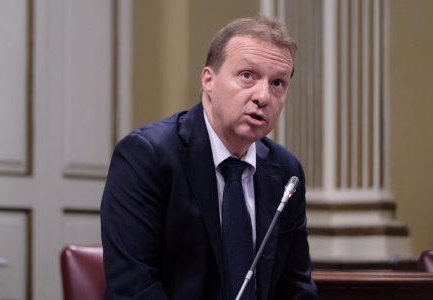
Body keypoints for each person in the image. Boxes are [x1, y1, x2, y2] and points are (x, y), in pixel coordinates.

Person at [101, 16, 317, 300]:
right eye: (247, 76)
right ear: (208, 80)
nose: (263, 96)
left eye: (277, 83)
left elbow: (296, 289)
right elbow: (133, 286)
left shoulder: (286, 171)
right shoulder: (147, 156)